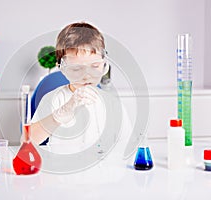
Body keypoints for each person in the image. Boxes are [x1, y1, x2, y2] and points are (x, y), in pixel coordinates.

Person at [21, 22, 131, 154]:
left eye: (95, 66)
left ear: (104, 64)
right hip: (63, 170)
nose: (87, 75)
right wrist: (59, 115)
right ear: (62, 68)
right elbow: (27, 140)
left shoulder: (113, 104)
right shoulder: (55, 99)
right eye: (76, 68)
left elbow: (128, 146)